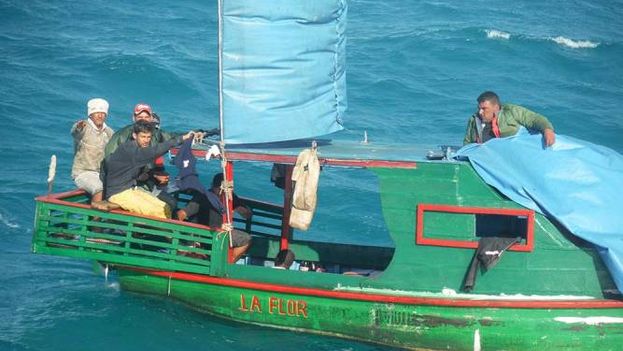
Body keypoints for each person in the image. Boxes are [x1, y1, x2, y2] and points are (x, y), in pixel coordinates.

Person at [102, 120, 193, 218]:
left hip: (130, 189)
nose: (146, 140)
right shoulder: (130, 149)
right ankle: (162, 233)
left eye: (149, 137)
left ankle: (146, 232)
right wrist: (182, 138)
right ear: (134, 136)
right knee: (159, 212)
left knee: (165, 207)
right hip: (118, 194)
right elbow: (155, 151)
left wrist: (148, 175)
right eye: (143, 137)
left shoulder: (136, 148)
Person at [177, 173, 252, 262]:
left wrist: (237, 207)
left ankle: (226, 264)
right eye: (220, 189)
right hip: (203, 235)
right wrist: (189, 241)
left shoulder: (230, 197)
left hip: (220, 234)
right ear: (214, 187)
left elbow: (247, 215)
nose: (223, 192)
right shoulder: (204, 197)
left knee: (246, 239)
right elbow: (181, 214)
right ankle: (220, 263)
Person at [463, 91, 556, 146]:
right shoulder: (474, 120)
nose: (480, 112)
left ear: (495, 107)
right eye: (479, 108)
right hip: (485, 159)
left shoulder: (510, 112)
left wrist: (547, 129)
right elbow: (467, 143)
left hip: (509, 156)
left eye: (484, 109)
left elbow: (534, 119)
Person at [71, 98, 114, 203]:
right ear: (90, 115)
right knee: (98, 188)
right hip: (83, 173)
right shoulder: (84, 127)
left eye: (103, 113)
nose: (100, 115)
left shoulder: (109, 132)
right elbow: (75, 132)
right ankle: (95, 219)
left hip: (101, 174)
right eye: (96, 113)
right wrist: (78, 127)